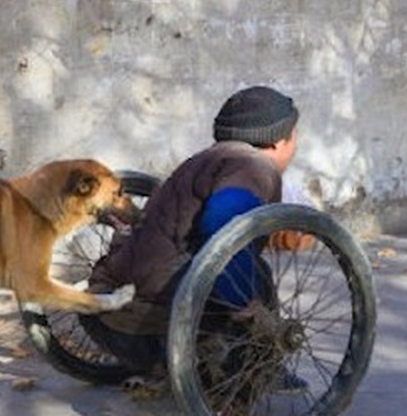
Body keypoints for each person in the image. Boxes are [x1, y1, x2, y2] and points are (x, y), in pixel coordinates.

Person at [83, 85, 305, 380]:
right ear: (278, 141)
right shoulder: (254, 168)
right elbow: (222, 229)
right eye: (295, 135)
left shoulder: (204, 160)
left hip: (102, 317)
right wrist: (252, 314)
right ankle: (256, 371)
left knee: (223, 264)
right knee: (254, 275)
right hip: (150, 331)